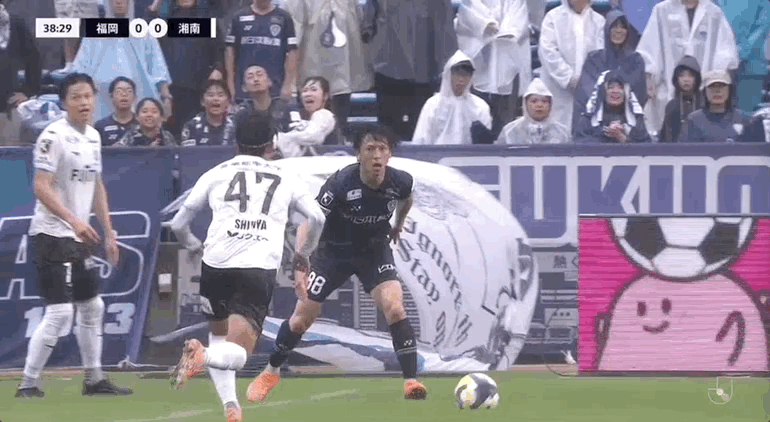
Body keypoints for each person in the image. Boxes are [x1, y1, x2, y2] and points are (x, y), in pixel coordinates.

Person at [247, 125, 427, 402]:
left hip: (374, 251)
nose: (376, 156)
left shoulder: (401, 181)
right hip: (333, 253)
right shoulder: (341, 183)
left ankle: (411, 382)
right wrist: (301, 260)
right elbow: (311, 221)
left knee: (394, 306)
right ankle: (271, 371)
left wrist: (397, 225)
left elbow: (407, 199)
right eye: (370, 149)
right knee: (302, 318)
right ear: (358, 155)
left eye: (382, 149)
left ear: (390, 154)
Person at [167, 112, 326, 422]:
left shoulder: (216, 172)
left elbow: (178, 224)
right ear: (272, 144)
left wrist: (194, 245)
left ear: (236, 142)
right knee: (238, 353)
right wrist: (303, 254)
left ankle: (231, 406)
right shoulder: (285, 176)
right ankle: (202, 357)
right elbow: (317, 217)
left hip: (215, 264)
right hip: (256, 266)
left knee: (218, 337)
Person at [15, 73, 133, 398]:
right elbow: (40, 186)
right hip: (51, 234)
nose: (83, 103)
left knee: (93, 307)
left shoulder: (93, 136)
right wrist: (72, 220)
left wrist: (109, 233)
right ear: (64, 103)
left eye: (87, 96)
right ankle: (28, 383)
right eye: (76, 97)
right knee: (61, 312)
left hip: (78, 237)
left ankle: (94, 379)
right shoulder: (53, 137)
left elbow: (96, 185)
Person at [636, 0, 738, 135]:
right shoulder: (661, 10)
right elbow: (650, 47)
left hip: (704, 84)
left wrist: (716, 78)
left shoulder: (714, 12)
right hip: (668, 83)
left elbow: (725, 50)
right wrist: (650, 76)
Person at [362, 0, 457, 141]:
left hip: (421, 65)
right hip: (392, 64)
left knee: (419, 127)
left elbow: (445, 22)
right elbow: (368, 24)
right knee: (388, 128)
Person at [70, 0, 172, 123]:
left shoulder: (143, 31)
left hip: (139, 97)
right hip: (100, 101)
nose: (119, 2)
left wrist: (166, 98)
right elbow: (80, 69)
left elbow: (158, 68)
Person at [284, 0, 372, 142]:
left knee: (338, 131)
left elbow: (358, 35)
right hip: (310, 76)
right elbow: (292, 40)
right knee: (307, 133)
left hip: (342, 80)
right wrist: (290, 81)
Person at [455, 0, 531, 139]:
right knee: (476, 120)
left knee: (505, 120)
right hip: (478, 68)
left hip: (508, 67)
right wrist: (485, 24)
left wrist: (507, 31)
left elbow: (518, 19)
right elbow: (468, 13)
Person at [572, 9, 646, 134]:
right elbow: (586, 93)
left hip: (627, 122)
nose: (618, 30)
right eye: (614, 26)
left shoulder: (635, 60)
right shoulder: (594, 59)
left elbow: (638, 94)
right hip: (595, 124)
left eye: (623, 27)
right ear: (607, 29)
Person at [538, 0, 605, 134]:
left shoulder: (599, 21)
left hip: (588, 88)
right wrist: (569, 78)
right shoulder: (553, 17)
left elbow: (601, 54)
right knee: (556, 131)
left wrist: (586, 81)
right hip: (557, 87)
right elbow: (548, 51)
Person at [412, 51, 493, 145]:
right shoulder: (433, 104)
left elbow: (485, 144)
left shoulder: (480, 106)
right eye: (457, 74)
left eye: (465, 75)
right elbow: (421, 139)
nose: (461, 79)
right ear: (449, 75)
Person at [225, 0, 298, 103]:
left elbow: (292, 51)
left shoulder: (284, 17)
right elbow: (230, 51)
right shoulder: (238, 17)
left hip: (275, 87)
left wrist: (287, 85)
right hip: (244, 87)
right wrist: (230, 85)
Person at [0, 0, 41, 146]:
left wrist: (28, 90)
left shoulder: (15, 23)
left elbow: (33, 58)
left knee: (9, 154)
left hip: (6, 107)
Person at [574, 70, 652, 143]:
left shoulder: (636, 119)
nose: (615, 91)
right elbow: (579, 146)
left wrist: (622, 138)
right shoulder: (588, 119)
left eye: (620, 88)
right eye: (610, 87)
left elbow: (646, 147)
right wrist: (606, 134)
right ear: (602, 92)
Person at [677, 69, 750, 142]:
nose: (717, 91)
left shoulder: (744, 119)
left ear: (729, 90)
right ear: (704, 92)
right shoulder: (693, 120)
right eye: (712, 86)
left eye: (722, 86)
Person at [275, 76, 337, 157]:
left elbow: (313, 136)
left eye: (313, 90)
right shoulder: (296, 116)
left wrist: (282, 138)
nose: (308, 94)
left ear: (325, 96)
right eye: (305, 91)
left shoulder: (325, 114)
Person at [497, 78, 570, 144]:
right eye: (534, 101)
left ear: (551, 105)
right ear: (525, 104)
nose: (539, 105)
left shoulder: (562, 132)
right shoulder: (509, 131)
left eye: (544, 101)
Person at [233, 64, 299, 135]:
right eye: (250, 77)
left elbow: (298, 133)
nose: (256, 79)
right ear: (244, 87)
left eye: (259, 75)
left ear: (269, 82)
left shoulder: (286, 108)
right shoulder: (240, 114)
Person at [658, 55, 703, 143]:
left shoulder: (704, 103)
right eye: (682, 76)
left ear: (697, 78)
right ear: (676, 79)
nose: (686, 80)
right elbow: (667, 137)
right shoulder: (672, 106)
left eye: (690, 76)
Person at [180, 80, 237, 146]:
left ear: (228, 102)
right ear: (202, 101)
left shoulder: (235, 125)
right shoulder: (191, 126)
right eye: (210, 95)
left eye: (220, 95)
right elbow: (187, 151)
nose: (215, 99)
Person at [94, 76, 138, 146]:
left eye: (129, 91)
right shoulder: (100, 126)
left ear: (134, 97)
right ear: (111, 97)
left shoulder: (141, 123)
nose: (124, 94)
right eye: (119, 91)